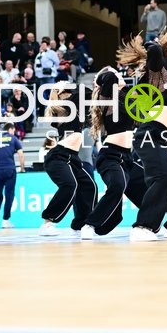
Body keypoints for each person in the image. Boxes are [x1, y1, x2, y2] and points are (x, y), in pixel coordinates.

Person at [117, 29, 167, 241]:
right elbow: (154, 55)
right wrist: (153, 45)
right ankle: (143, 226)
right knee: (164, 175)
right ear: (165, 53)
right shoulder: (158, 73)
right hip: (150, 133)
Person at [80, 68, 146, 239]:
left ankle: (148, 224)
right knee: (117, 186)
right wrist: (102, 76)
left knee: (149, 193)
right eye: (117, 74)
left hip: (128, 158)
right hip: (110, 156)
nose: (120, 75)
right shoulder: (107, 99)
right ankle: (89, 224)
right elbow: (108, 77)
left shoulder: (125, 96)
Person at [40, 83, 97, 236]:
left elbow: (88, 93)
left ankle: (81, 223)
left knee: (89, 185)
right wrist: (67, 86)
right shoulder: (64, 107)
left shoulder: (76, 106)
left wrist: (64, 87)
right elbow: (84, 91)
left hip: (73, 158)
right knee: (69, 185)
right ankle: (48, 222)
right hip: (58, 156)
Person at [0, 123, 25, 229]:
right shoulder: (13, 139)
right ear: (10, 129)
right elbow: (21, 155)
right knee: (9, 195)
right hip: (10, 169)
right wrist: (22, 168)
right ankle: (5, 220)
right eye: (13, 130)